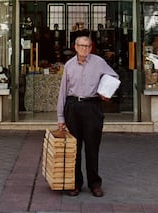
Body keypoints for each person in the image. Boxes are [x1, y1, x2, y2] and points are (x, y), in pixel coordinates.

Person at [56, 35, 119, 198]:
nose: (84, 49)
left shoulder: (99, 62)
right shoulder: (69, 65)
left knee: (92, 147)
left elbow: (114, 77)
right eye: (81, 46)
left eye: (87, 46)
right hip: (73, 106)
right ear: (75, 47)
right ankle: (75, 184)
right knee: (74, 149)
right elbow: (63, 91)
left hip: (92, 107)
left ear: (91, 48)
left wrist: (106, 91)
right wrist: (60, 117)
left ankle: (94, 184)